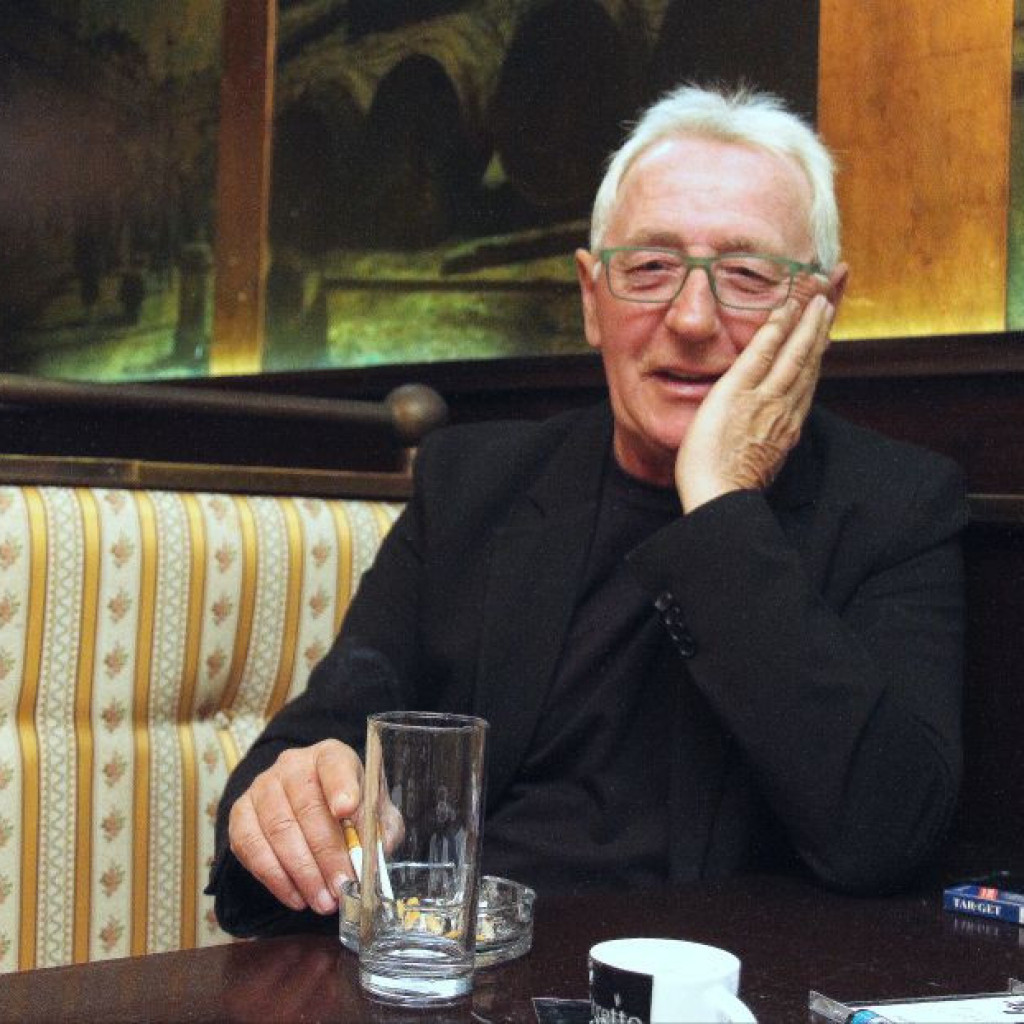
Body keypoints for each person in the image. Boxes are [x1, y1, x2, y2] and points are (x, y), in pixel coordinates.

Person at [208, 84, 965, 937]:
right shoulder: (472, 487)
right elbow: (317, 742)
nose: (691, 318)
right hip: (459, 970)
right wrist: (294, 798)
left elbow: (885, 835)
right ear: (589, 296)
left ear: (824, 309)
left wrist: (721, 503)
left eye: (749, 277)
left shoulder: (897, 507)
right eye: (649, 269)